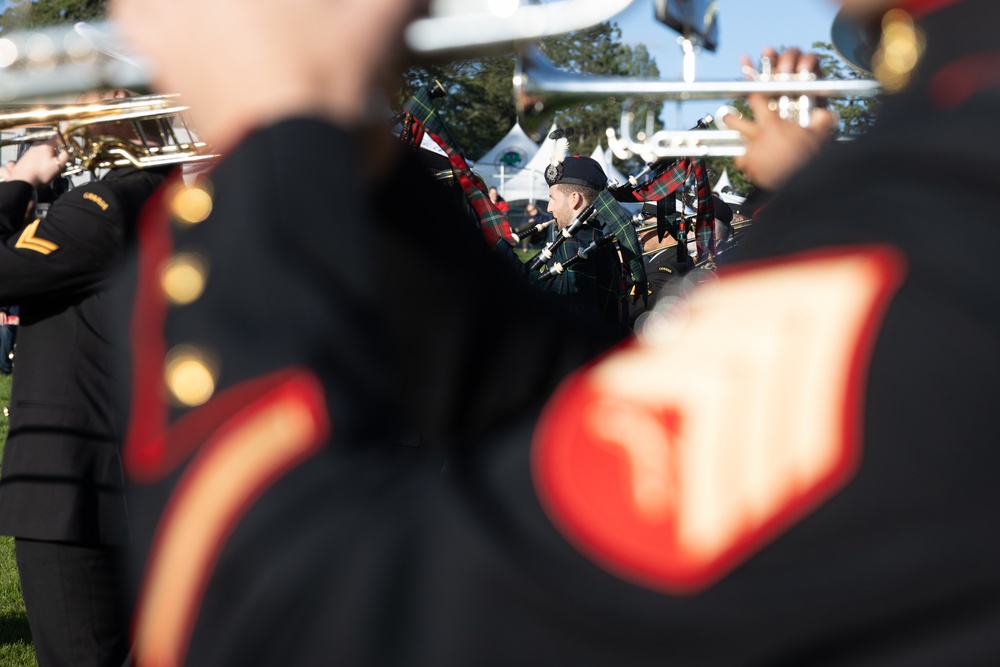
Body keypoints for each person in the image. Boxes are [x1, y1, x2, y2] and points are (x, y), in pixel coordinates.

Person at [110, 0, 1000, 665]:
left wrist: (277, 135)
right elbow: (601, 430)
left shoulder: (955, 204)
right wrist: (359, 178)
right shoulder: (950, 159)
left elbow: (290, 624)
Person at [0, 90, 174, 667]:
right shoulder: (151, 196)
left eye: (91, 103)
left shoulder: (113, 200)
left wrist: (19, 180)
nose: (68, 119)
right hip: (111, 477)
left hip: (76, 482)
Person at [540, 155, 629, 331]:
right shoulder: (600, 239)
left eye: (553, 198)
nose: (549, 208)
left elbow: (564, 318)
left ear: (574, 199)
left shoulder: (570, 245)